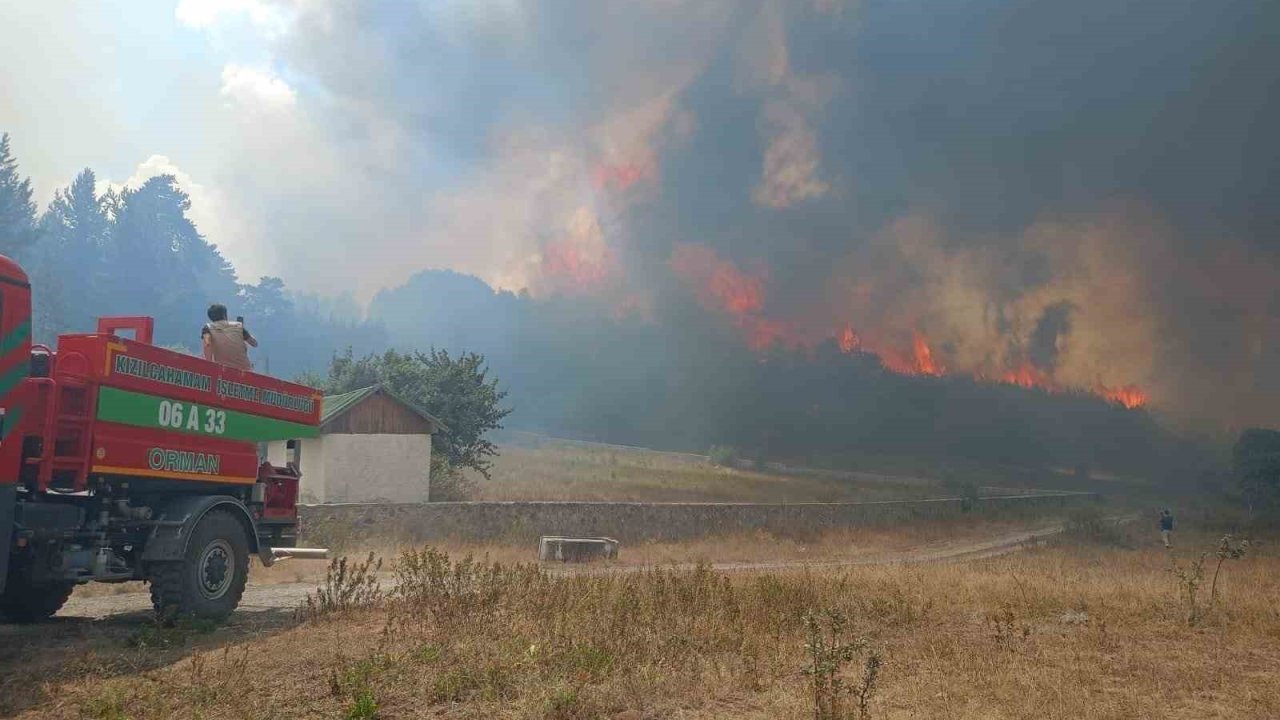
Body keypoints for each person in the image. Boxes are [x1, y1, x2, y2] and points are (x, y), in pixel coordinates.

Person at [201, 303, 257, 371]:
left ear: (210, 317)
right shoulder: (238, 326)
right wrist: (244, 333)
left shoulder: (207, 328)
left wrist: (209, 366)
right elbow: (254, 343)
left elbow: (207, 345)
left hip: (224, 371)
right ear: (225, 314)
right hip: (245, 370)